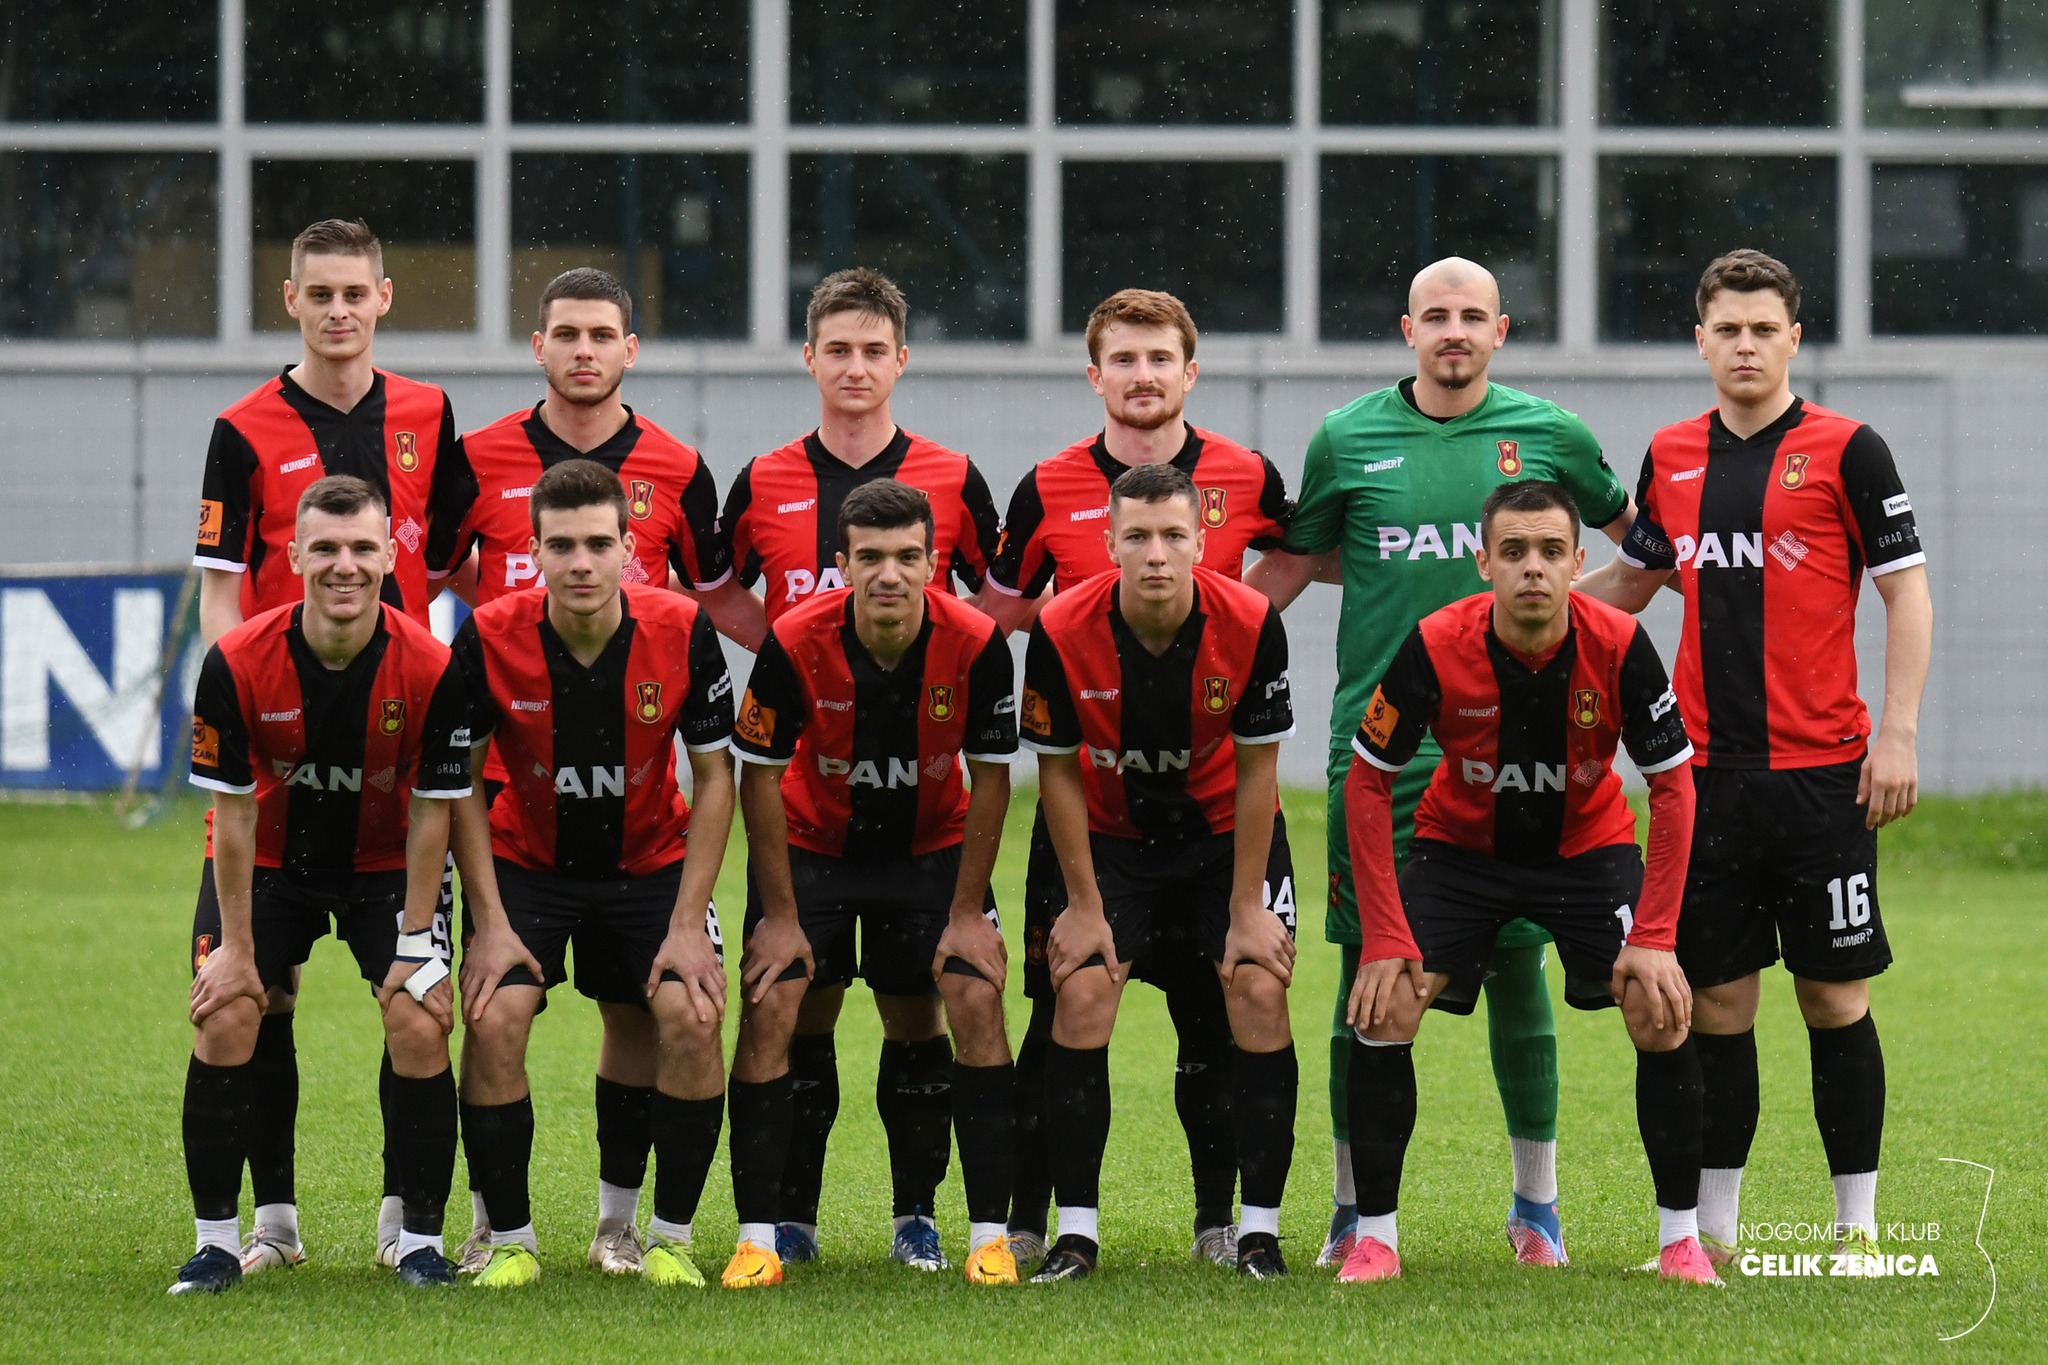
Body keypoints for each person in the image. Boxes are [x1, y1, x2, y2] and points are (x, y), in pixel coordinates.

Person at [1247, 256, 1638, 1268]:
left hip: (1517, 747)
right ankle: (1353, 1208)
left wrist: (1588, 613)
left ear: (1500, 330)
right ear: (1407, 329)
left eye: (1471, 315)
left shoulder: (1549, 434)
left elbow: (1642, 542)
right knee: (1366, 970)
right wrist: (1208, 629)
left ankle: (1537, 1205)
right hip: (1380, 746)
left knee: (1518, 965)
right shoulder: (1345, 438)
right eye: (1435, 315)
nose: (1452, 329)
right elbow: (1295, 559)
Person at [1578, 248, 1931, 1261]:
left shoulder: (1848, 449)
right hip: (1703, 782)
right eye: (1726, 329)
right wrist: (1519, 611)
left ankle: (1856, 1230)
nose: (1744, 345)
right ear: (1700, 340)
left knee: (1833, 997)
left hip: (1823, 778)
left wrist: (1898, 734)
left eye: (1763, 329)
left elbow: (1905, 592)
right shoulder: (1670, 454)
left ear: (1793, 339)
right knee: (1717, 1003)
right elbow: (1634, 582)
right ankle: (1715, 1233)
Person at [429, 267, 758, 1275]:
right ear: (530, 549)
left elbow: (716, 776)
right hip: (525, 857)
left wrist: (689, 921)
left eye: (599, 545)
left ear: (630, 549)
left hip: (646, 859)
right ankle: (506, 1238)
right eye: (560, 546)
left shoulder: (681, 625)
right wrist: (488, 921)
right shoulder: (488, 630)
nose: (580, 562)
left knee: (682, 1012)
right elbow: (456, 780)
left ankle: (646, 1235)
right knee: (494, 1011)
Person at [1338, 478, 1718, 1286]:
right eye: (1513, 551)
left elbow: (1674, 786)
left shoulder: (1620, 643)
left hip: (1585, 850)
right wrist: (1385, 934)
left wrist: (1655, 935)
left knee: (1658, 1005)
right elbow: (1367, 781)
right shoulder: (1435, 642)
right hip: (1461, 853)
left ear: (1579, 562)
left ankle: (1681, 1241)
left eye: (1551, 551)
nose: (1533, 568)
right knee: (1388, 1000)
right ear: (1484, 563)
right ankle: (1374, 1237)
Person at [983, 288, 1294, 1267]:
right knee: (1062, 1004)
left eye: (1160, 357)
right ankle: (1045, 1223)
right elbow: (999, 613)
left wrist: (1227, 641)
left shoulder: (1247, 485)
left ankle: (1232, 1227)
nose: (1143, 374)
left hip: (1212, 820)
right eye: (1124, 358)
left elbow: (1304, 556)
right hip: (1101, 822)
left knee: (1228, 1003)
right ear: (1095, 374)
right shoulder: (1048, 502)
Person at [189, 218, 468, 1271]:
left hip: (395, 754)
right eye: (321, 294)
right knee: (259, 996)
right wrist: (243, 703)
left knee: (413, 1002)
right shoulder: (241, 427)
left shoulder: (428, 413)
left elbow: (455, 561)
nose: (339, 310)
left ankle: (406, 1226)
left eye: (356, 292)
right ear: (292, 300)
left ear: (384, 298)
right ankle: (270, 1226)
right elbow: (223, 589)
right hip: (275, 751)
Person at [719, 268, 1003, 1269]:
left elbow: (996, 603)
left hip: (925, 822)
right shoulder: (762, 479)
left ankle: (917, 1216)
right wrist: (794, 659)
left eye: (872, 349)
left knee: (922, 1006)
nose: (854, 366)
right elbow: (714, 586)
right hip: (812, 817)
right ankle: (783, 1222)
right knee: (795, 1000)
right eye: (836, 349)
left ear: (901, 360)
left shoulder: (954, 477)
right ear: (809, 358)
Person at [170, 475, 472, 1293]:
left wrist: (417, 942)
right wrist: (238, 950)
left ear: (390, 556)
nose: (346, 565)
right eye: (327, 548)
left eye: (363, 547)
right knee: (229, 1010)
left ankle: (416, 1241)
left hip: (384, 864)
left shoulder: (432, 665)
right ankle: (219, 1244)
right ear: (295, 555)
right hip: (269, 862)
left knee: (417, 1016)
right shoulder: (236, 661)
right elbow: (233, 817)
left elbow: (432, 814)